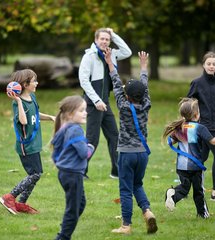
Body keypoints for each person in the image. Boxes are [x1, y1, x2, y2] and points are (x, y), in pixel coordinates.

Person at [104, 48, 157, 234]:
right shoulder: (146, 103)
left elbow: (116, 83)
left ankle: (126, 226)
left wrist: (110, 63)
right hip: (142, 153)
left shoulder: (123, 105)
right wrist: (144, 66)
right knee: (137, 184)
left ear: (127, 96)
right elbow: (144, 86)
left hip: (126, 153)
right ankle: (147, 211)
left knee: (126, 189)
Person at [162, 98, 215, 219]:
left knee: (184, 188)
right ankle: (202, 214)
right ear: (196, 114)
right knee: (198, 191)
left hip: (181, 166)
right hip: (195, 166)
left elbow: (171, 142)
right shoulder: (200, 128)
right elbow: (214, 141)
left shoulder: (180, 127)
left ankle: (172, 196)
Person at [0, 69, 55, 215]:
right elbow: (23, 121)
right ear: (25, 84)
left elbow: (35, 115)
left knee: (36, 174)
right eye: (34, 81)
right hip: (26, 145)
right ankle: (9, 197)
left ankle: (21, 204)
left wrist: (50, 117)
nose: (36, 83)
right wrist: (18, 101)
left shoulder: (33, 97)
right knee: (35, 174)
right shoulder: (18, 103)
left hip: (35, 143)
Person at [78, 27, 132, 179]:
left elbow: (127, 51)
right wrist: (96, 100)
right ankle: (80, 171)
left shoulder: (112, 54)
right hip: (92, 103)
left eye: (107, 39)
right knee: (92, 139)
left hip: (105, 103)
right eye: (102, 38)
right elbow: (83, 81)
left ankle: (116, 171)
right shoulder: (89, 56)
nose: (104, 41)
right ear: (96, 40)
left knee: (114, 136)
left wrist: (113, 34)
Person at [187, 51, 215, 201]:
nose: (211, 66)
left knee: (202, 157)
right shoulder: (197, 83)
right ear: (203, 65)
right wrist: (193, 118)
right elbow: (188, 104)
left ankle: (184, 186)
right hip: (203, 126)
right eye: (209, 64)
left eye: (214, 64)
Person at [51, 95, 95, 240]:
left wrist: (59, 163)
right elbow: (84, 153)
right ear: (70, 114)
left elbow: (55, 150)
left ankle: (66, 226)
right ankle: (63, 237)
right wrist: (91, 147)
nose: (85, 113)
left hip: (66, 173)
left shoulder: (65, 127)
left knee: (80, 204)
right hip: (72, 174)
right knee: (73, 209)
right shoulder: (76, 130)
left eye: (85, 110)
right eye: (81, 110)